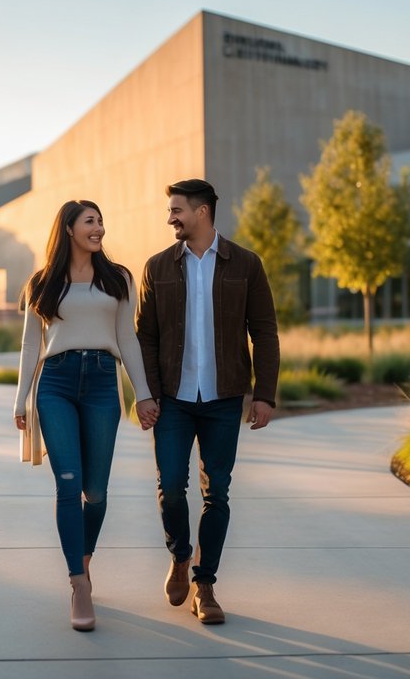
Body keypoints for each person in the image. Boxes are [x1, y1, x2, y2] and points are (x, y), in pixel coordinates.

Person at [134, 178, 280, 625]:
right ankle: (180, 555)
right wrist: (146, 394)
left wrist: (265, 394)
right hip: (174, 400)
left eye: (176, 210)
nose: (170, 218)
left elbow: (265, 332)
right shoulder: (157, 267)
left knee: (217, 492)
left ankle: (205, 584)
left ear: (202, 212)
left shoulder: (246, 264)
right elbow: (146, 337)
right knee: (171, 488)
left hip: (223, 398)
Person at [14, 199, 155, 632]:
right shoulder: (42, 282)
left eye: (101, 221)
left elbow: (127, 338)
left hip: (100, 384)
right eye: (91, 222)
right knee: (68, 482)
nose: (99, 228)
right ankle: (79, 583)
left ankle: (84, 558)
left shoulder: (118, 278)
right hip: (55, 384)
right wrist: (20, 399)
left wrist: (144, 394)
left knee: (95, 492)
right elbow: (30, 345)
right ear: (70, 229)